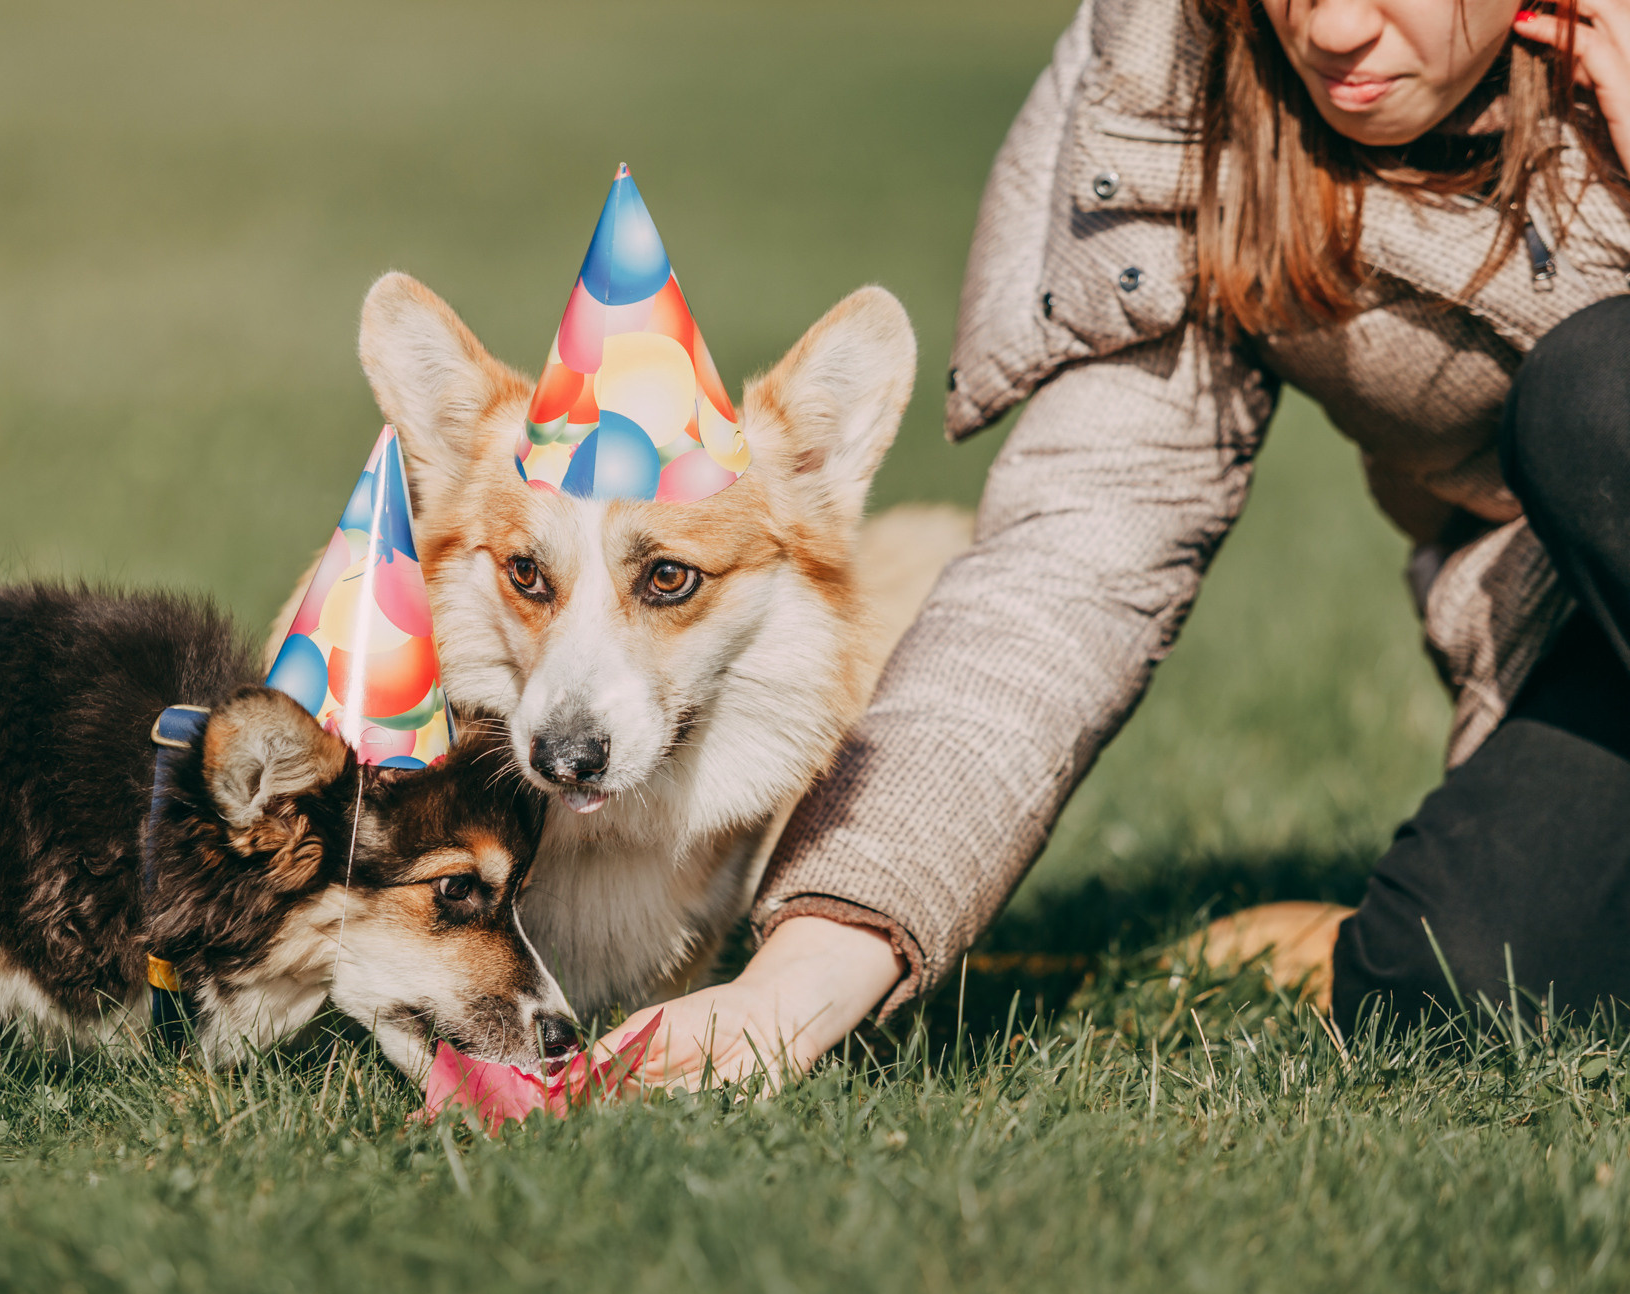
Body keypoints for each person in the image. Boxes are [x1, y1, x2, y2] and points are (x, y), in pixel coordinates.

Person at [600, 0, 1630, 1083]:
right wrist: (803, 971)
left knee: (1595, 397)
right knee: (1451, 979)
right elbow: (1075, 555)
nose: (1326, 30)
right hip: (1581, 637)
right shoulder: (1178, 77)